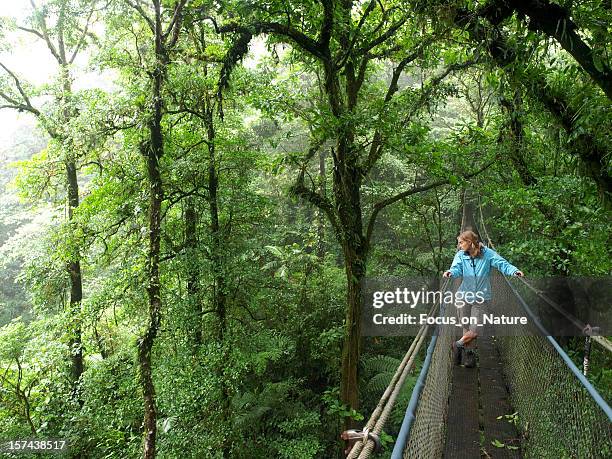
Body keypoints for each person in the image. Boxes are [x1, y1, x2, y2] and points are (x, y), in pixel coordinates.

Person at [443, 230, 524, 367]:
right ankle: (469, 357)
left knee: (476, 329)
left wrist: (514, 271)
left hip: (481, 298)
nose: (459, 246)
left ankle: (458, 345)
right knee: (466, 326)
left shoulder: (487, 254)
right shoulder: (460, 255)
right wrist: (451, 272)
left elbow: (502, 263)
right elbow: (456, 268)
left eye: (461, 243)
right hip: (464, 296)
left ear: (469, 242)